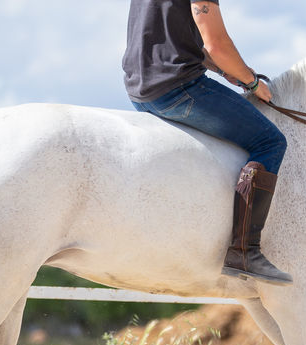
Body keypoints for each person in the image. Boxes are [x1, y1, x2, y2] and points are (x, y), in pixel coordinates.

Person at [123, 0, 292, 285]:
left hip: (140, 90)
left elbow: (176, 41)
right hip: (179, 88)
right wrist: (251, 83)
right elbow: (217, 45)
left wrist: (230, 71)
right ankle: (244, 251)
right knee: (270, 141)